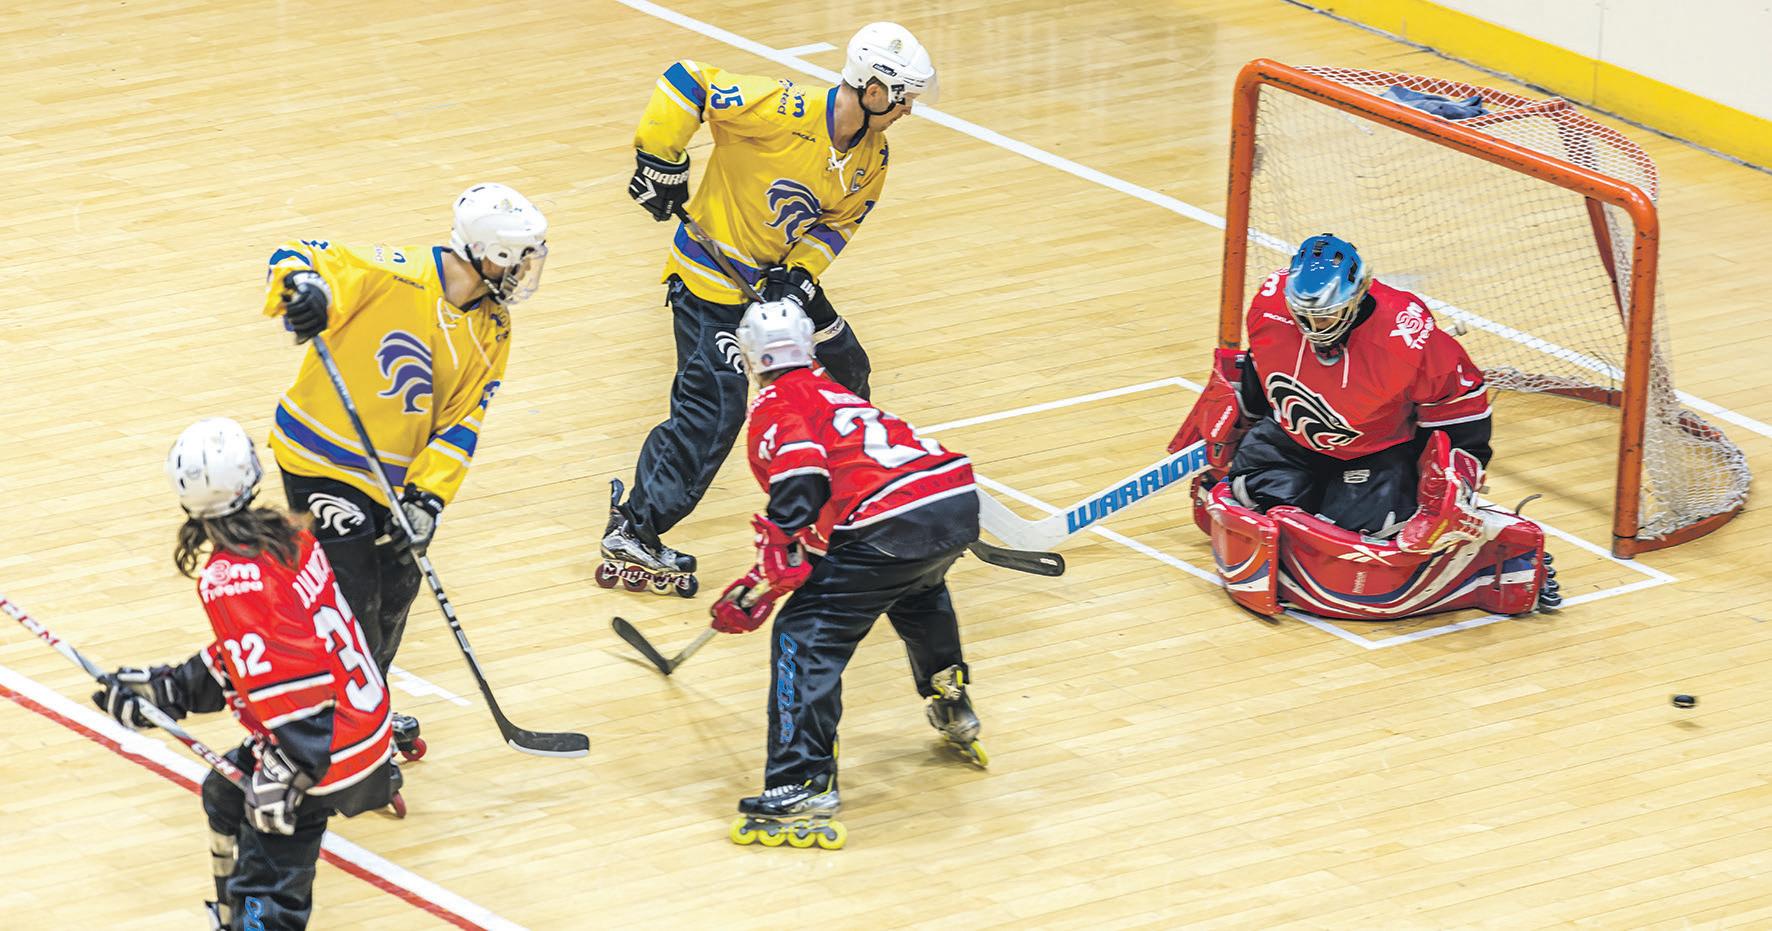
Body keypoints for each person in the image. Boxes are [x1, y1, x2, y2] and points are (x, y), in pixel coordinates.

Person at [602, 22, 938, 598]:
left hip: (778, 282)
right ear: (874, 90)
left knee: (847, 373)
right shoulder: (785, 108)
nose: (908, 109)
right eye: (904, 97)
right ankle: (635, 529)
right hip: (711, 284)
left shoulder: (873, 155)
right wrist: (660, 161)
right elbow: (686, 81)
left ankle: (839, 513)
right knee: (714, 409)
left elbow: (839, 224)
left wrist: (802, 274)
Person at [262, 183, 548, 758]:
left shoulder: (493, 327)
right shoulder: (395, 274)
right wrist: (304, 290)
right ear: (485, 251)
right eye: (516, 258)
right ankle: (335, 726)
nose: (524, 271)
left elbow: (464, 421)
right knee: (353, 595)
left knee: (397, 589)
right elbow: (296, 254)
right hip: (322, 461)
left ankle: (366, 703)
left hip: (394, 481)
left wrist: (428, 498)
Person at [92, 418, 400, 929]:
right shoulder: (290, 537)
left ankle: (253, 920)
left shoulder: (229, 577)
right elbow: (255, 655)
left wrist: (289, 771)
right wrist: (170, 689)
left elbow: (293, 679)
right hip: (360, 726)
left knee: (269, 893)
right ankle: (230, 915)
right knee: (224, 794)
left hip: (323, 748)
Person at [1169, 234, 1559, 619]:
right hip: (1291, 437)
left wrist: (1454, 479)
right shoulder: (1269, 305)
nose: (1313, 326)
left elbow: (1461, 406)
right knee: (1251, 491)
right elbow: (1260, 368)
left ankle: (1489, 546)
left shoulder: (1405, 336)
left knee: (1371, 535)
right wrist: (1237, 423)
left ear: (1357, 294)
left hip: (1376, 454)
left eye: (1326, 315)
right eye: (1303, 315)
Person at [714, 300, 984, 851]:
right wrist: (778, 568)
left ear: (750, 358)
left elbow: (802, 476)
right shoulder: (835, 391)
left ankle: (800, 784)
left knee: (803, 636)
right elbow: (837, 505)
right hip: (952, 501)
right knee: (915, 589)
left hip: (889, 520)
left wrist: (772, 559)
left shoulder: (776, 404)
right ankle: (950, 698)